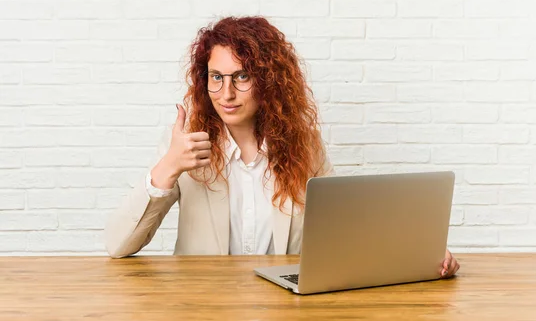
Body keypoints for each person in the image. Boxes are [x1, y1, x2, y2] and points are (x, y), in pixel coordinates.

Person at [104, 16, 460, 278]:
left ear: (269, 81)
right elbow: (118, 246)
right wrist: (168, 167)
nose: (226, 94)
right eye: (216, 77)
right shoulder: (185, 146)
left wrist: (419, 253)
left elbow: (345, 227)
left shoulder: (305, 147)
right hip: (203, 304)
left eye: (242, 76)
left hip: (284, 305)